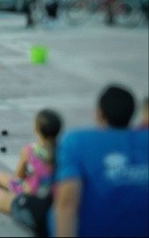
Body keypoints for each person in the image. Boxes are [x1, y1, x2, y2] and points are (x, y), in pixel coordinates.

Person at [50, 84, 148, 237]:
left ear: (99, 114)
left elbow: (67, 203)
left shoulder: (77, 141)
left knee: (44, 208)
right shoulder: (144, 141)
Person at [0, 109, 63, 237]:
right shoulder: (64, 150)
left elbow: (18, 177)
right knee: (1, 177)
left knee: (2, 183)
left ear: (36, 130)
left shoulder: (30, 151)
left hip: (32, 195)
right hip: (56, 191)